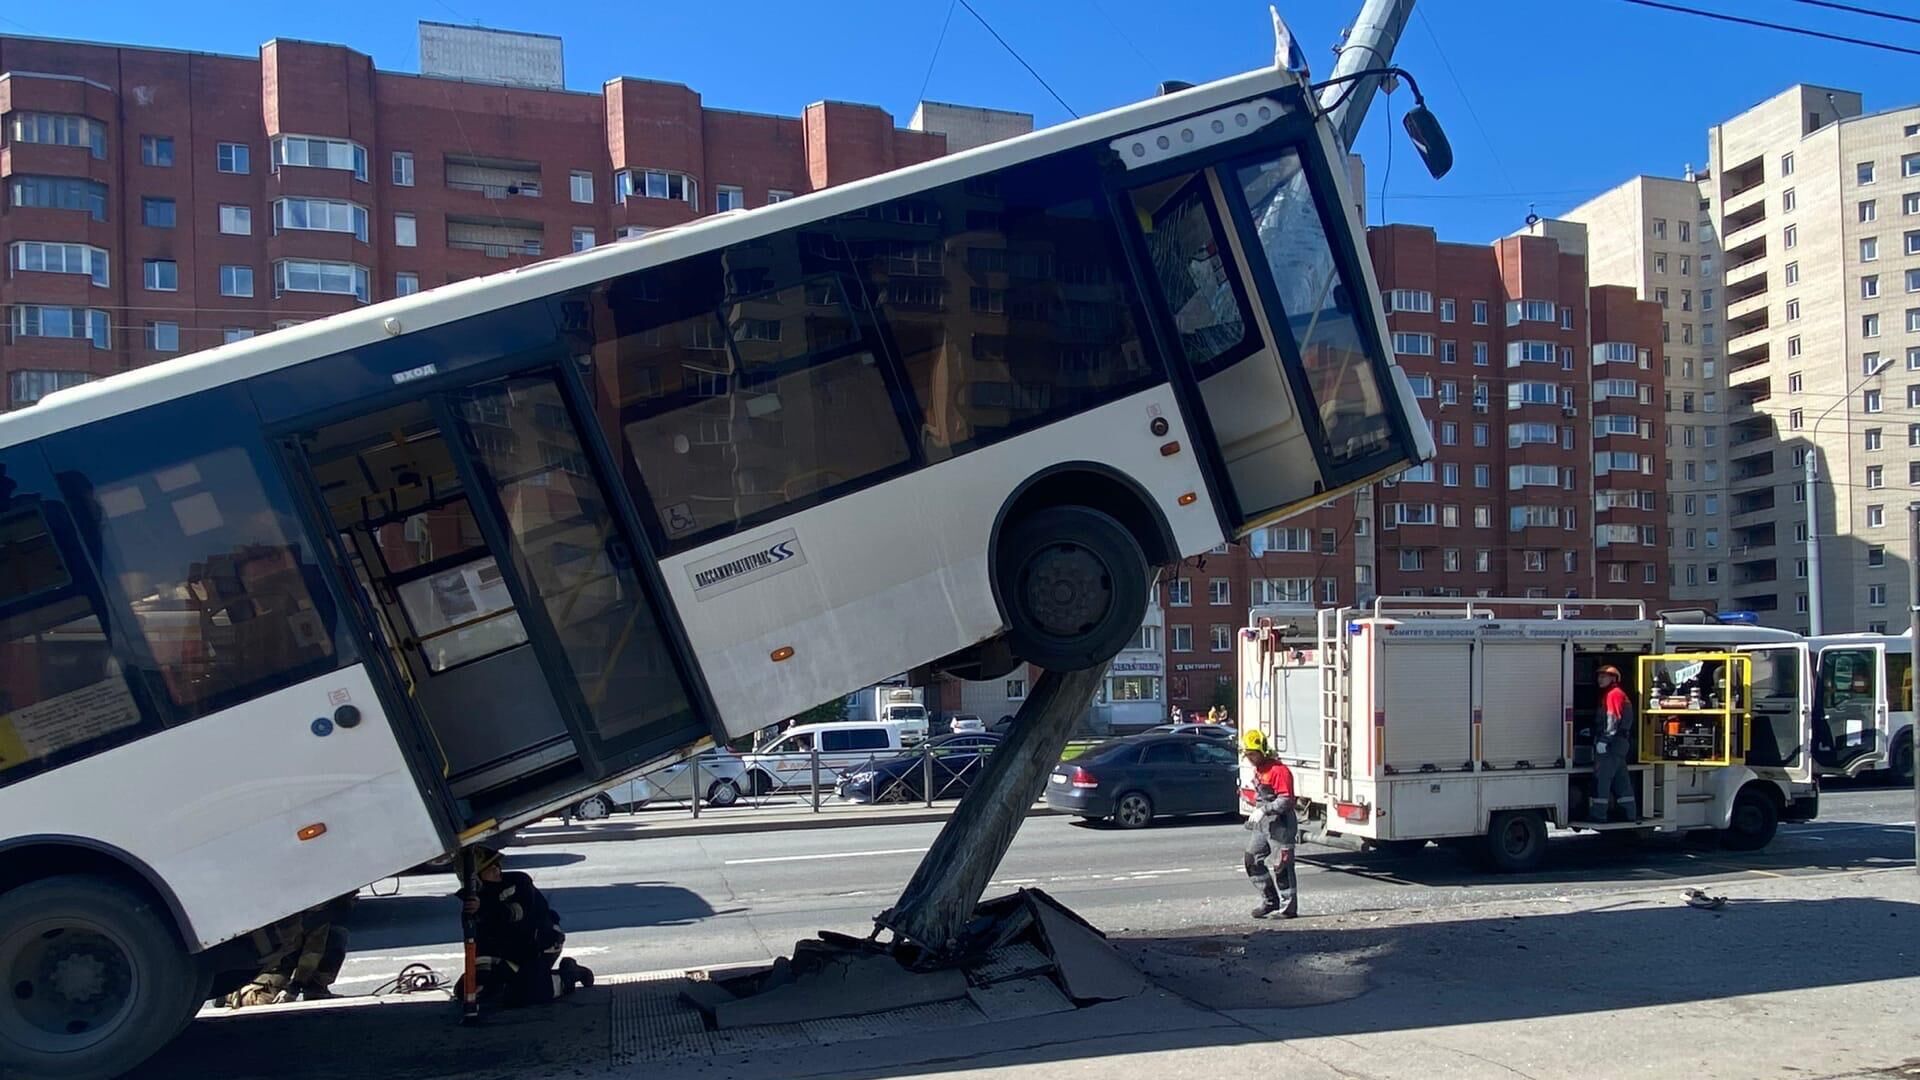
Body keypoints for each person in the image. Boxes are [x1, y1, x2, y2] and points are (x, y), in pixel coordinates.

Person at [462, 846, 594, 1007]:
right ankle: (524, 977)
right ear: (475, 880)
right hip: (507, 951)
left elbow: (518, 914)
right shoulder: (473, 905)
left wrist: (484, 908)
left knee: (526, 994)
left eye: (496, 865)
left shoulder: (519, 882)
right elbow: (478, 943)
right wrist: (479, 980)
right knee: (467, 990)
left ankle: (569, 974)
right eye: (489, 869)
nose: (497, 870)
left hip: (539, 944)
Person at [223, 893, 356, 1008]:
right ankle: (232, 993)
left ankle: (316, 988)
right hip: (278, 956)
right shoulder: (322, 905)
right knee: (261, 1002)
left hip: (284, 951)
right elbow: (313, 950)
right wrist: (294, 988)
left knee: (334, 934)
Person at [1239, 729, 1297, 920]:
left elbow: (1286, 800)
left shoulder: (1278, 771)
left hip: (1280, 824)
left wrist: (1264, 809)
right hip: (1264, 824)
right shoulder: (1260, 769)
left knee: (1282, 865)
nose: (1250, 758)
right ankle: (1270, 900)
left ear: (1262, 751)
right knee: (1252, 860)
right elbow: (1262, 796)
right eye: (1248, 755)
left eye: (1253, 754)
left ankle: (1289, 908)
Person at [1590, 665, 1638, 823]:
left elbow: (1613, 719)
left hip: (1612, 745)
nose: (1600, 679)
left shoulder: (1613, 694)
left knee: (1602, 779)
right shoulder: (1615, 694)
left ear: (1613, 678)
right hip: (1619, 744)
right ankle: (1629, 813)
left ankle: (1599, 815)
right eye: (1599, 676)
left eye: (1604, 676)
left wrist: (1604, 740)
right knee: (1621, 780)